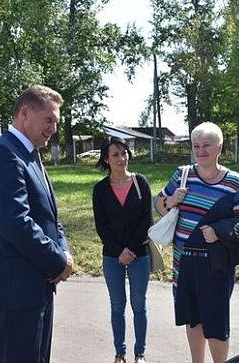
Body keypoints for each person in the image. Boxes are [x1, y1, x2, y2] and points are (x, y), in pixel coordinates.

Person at [0, 85, 73, 363]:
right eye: (49, 119)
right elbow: (16, 222)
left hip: (37, 283)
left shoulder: (28, 153)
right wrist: (58, 260)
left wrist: (63, 252)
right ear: (25, 113)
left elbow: (49, 216)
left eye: (56, 121)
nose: (53, 127)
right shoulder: (2, 155)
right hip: (16, 290)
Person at [154, 122, 239, 363]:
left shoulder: (234, 182)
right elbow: (158, 205)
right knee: (193, 318)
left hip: (216, 264)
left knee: (216, 321)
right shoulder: (182, 174)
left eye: (206, 145)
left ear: (219, 147)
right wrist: (171, 200)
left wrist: (219, 232)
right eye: (196, 146)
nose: (200, 151)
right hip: (183, 262)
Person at [92, 136, 153, 363]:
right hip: (112, 257)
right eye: (115, 154)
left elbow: (146, 220)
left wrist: (131, 249)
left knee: (139, 304)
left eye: (124, 152)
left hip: (139, 255)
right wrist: (119, 251)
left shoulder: (140, 183)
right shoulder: (100, 190)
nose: (121, 158)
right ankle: (120, 352)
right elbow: (101, 227)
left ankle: (140, 353)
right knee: (117, 305)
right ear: (106, 159)